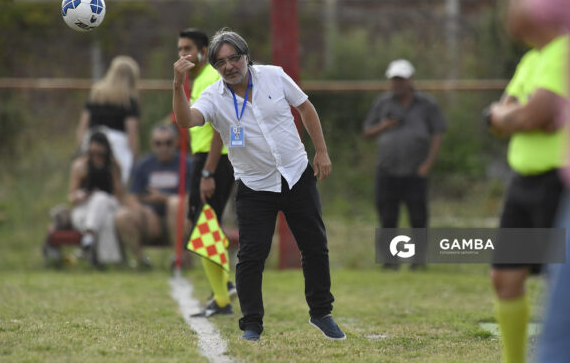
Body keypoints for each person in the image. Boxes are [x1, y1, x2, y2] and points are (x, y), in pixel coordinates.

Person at [172, 29, 345, 341]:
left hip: (295, 174)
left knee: (315, 246)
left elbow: (305, 107)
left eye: (234, 58)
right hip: (254, 186)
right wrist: (176, 86)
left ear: (246, 56)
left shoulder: (274, 76)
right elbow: (186, 121)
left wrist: (321, 151)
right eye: (221, 62)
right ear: (214, 67)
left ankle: (321, 313)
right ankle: (251, 324)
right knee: (252, 256)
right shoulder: (213, 96)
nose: (229, 66)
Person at [486, 0, 568, 363]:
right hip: (523, 183)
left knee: (558, 286)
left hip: (557, 184)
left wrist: (513, 116)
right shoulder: (531, 58)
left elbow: (536, 114)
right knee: (505, 278)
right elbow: (502, 117)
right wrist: (512, 116)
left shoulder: (564, 50)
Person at [363, 59, 446, 270]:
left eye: (401, 79)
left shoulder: (427, 104)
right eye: (394, 80)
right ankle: (390, 262)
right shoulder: (383, 103)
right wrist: (385, 125)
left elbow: (438, 132)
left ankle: (418, 262)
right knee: (388, 217)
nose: (397, 83)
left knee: (418, 217)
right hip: (387, 169)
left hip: (415, 170)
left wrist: (428, 163)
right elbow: (367, 131)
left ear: (410, 80)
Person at [177, 28, 237, 317]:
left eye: (188, 48)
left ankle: (223, 297)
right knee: (206, 227)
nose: (182, 54)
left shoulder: (211, 78)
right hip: (208, 160)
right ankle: (225, 288)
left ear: (203, 51)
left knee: (204, 228)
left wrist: (208, 172)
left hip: (214, 161)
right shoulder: (199, 79)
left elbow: (219, 130)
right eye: (179, 49)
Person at [114, 124, 191, 268]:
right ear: (152, 144)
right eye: (158, 143)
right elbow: (131, 197)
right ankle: (139, 261)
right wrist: (146, 212)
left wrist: (164, 198)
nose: (163, 147)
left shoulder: (186, 164)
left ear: (176, 142)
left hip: (178, 219)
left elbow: (190, 197)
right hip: (149, 220)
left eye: (168, 142)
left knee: (175, 203)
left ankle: (179, 257)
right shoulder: (144, 165)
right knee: (122, 216)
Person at [76, 55, 141, 185]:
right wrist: (135, 158)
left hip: (92, 140)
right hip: (117, 146)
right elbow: (132, 133)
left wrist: (81, 148)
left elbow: (82, 126)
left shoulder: (96, 95)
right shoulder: (128, 100)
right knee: (115, 182)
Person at [69, 131, 125, 265]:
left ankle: (88, 237)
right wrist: (80, 195)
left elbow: (118, 194)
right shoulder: (80, 166)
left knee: (100, 197)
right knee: (106, 221)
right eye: (93, 153)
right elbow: (71, 196)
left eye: (100, 154)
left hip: (109, 204)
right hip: (85, 208)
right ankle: (108, 261)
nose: (97, 157)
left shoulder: (114, 166)